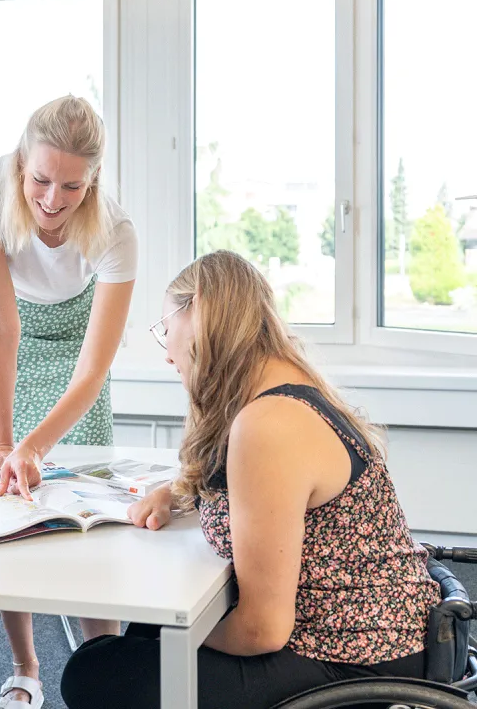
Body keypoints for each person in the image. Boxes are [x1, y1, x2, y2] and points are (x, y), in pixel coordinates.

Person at [59, 250, 442, 708]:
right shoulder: (282, 390)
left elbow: (262, 629)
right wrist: (175, 493)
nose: (167, 355)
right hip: (372, 636)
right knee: (137, 639)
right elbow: (245, 490)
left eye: (165, 328)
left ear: (198, 310)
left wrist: (176, 629)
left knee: (93, 672)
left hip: (355, 663)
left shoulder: (268, 424)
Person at [0, 95, 137, 708]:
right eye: (40, 180)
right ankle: (24, 670)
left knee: (84, 488)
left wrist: (37, 445)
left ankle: (104, 666)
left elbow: (94, 368)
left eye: (72, 186)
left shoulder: (115, 233)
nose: (53, 200)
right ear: (19, 164)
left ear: (94, 180)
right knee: (7, 491)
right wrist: (6, 442)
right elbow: (1, 326)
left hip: (73, 334)